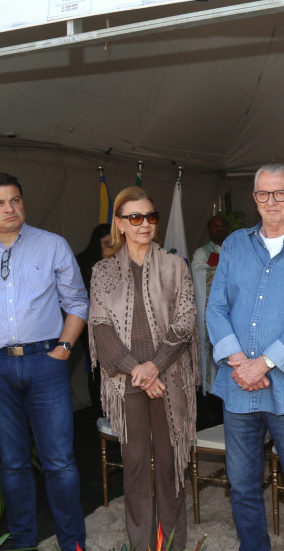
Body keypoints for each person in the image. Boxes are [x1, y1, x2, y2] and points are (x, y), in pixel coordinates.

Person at [0, 171, 87, 551]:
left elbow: (76, 303)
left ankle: (73, 541)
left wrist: (63, 352)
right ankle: (23, 540)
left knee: (60, 461)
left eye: (15, 199)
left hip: (47, 363)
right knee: (12, 462)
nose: (10, 208)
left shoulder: (52, 244)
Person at [206, 163, 284, 551]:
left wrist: (260, 365)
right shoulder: (234, 244)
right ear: (255, 199)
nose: (271, 201)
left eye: (280, 193)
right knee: (243, 485)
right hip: (239, 387)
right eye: (263, 194)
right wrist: (238, 362)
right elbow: (215, 308)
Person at [88, 187, 199, 549]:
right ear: (119, 223)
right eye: (134, 218)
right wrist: (139, 370)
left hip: (170, 379)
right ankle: (141, 545)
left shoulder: (175, 265)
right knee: (135, 469)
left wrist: (154, 367)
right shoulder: (102, 271)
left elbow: (185, 322)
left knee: (170, 467)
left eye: (150, 216)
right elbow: (100, 329)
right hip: (126, 381)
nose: (144, 224)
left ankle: (173, 544)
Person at [191, 215, 228, 429]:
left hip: (230, 315)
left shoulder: (234, 248)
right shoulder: (201, 253)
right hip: (209, 314)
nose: (219, 228)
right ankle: (210, 406)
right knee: (210, 358)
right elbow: (198, 273)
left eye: (222, 225)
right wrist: (224, 271)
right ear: (209, 231)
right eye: (215, 226)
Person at [76, 223, 111, 416]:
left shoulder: (120, 260)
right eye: (106, 243)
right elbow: (77, 296)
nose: (109, 246)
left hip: (115, 324)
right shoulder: (82, 261)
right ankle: (100, 413)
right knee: (96, 369)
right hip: (90, 324)